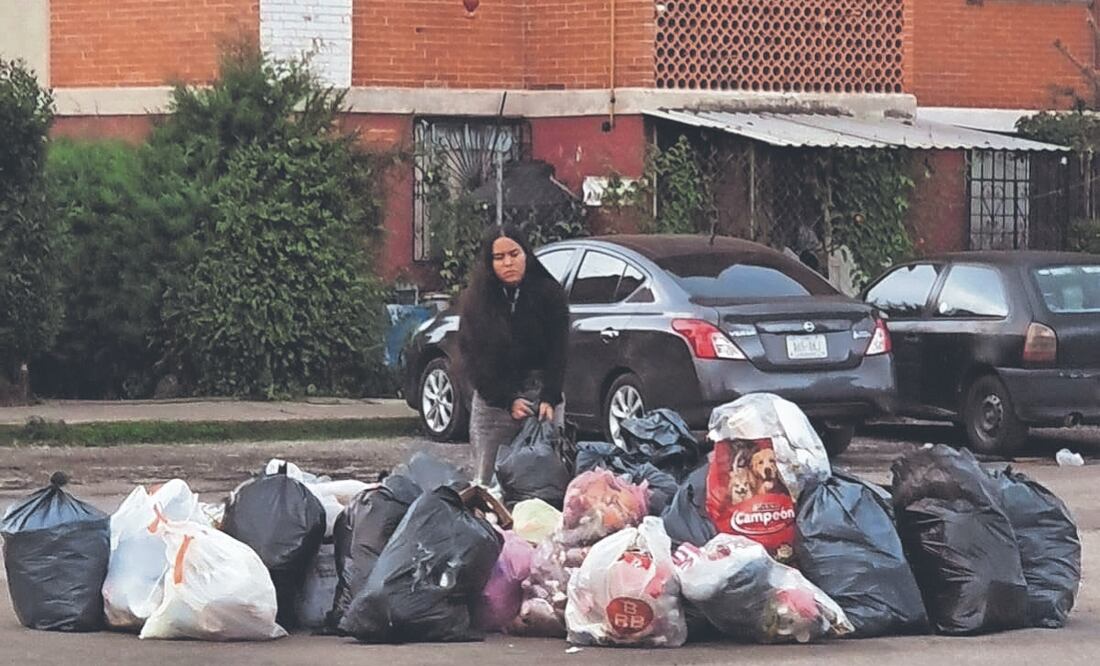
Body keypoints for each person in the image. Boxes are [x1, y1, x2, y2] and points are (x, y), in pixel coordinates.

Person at [458, 223, 570, 486]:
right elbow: (472, 358)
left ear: (526, 255)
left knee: (545, 478)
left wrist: (550, 396)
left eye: (514, 254)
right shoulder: (477, 303)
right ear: (489, 263)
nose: (508, 263)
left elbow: (559, 349)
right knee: (487, 481)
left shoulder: (549, 294)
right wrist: (506, 399)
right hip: (494, 402)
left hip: (542, 399)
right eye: (499, 257)